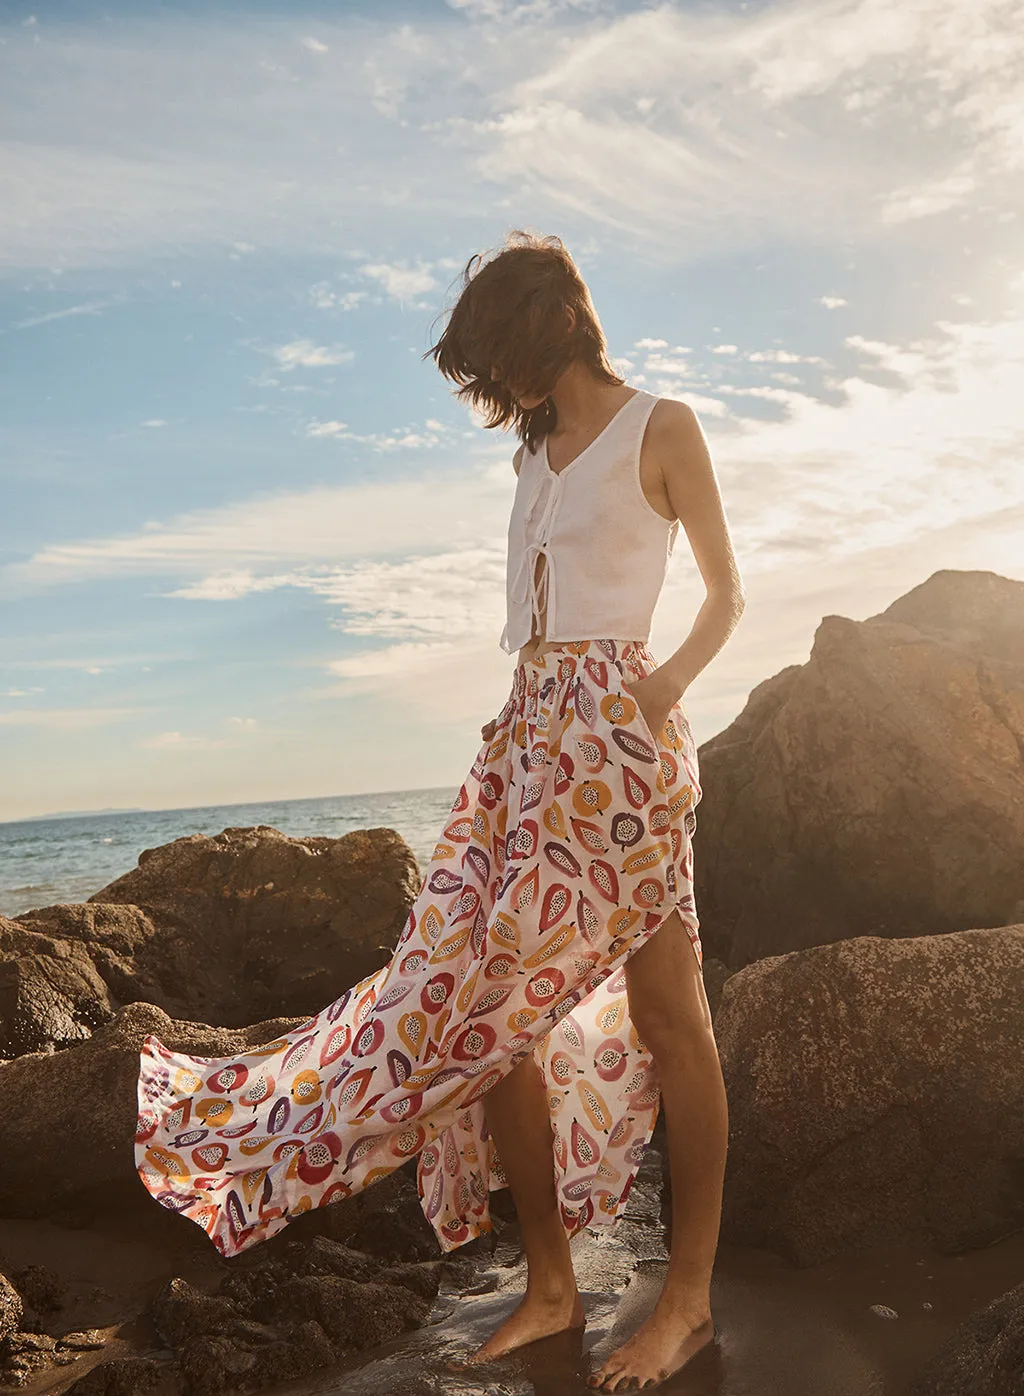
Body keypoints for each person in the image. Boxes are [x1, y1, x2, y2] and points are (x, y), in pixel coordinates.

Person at [135, 229, 744, 1394]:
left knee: (672, 1013)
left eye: (502, 354)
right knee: (476, 1008)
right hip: (524, 748)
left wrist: (651, 698)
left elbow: (726, 593)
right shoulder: (534, 456)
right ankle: (553, 1283)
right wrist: (536, 727)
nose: (498, 386)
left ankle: (690, 1302)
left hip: (619, 758)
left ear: (557, 321)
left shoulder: (660, 427)